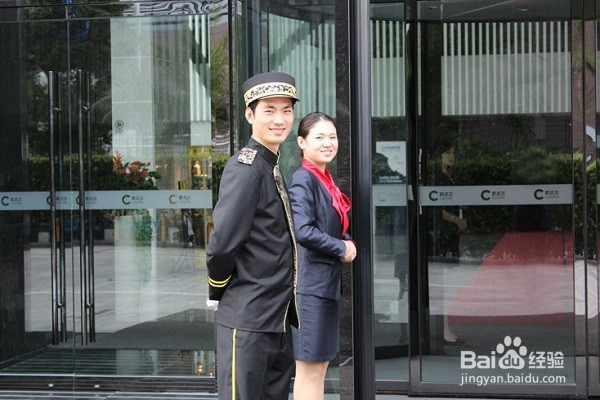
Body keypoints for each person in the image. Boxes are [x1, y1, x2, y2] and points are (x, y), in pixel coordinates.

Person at [206, 71, 300, 400]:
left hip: (275, 320)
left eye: (286, 110)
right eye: (269, 110)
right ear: (250, 115)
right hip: (246, 320)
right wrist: (217, 288)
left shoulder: (269, 164)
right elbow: (222, 244)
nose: (279, 119)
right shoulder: (245, 169)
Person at [288, 112, 356, 400]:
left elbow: (331, 225)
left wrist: (346, 239)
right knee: (309, 370)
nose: (328, 143)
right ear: (302, 142)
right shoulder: (303, 179)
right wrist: (341, 247)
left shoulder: (325, 179)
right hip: (309, 289)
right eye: (319, 137)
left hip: (324, 286)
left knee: (320, 367)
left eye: (332, 137)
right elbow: (302, 230)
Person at [432, 143, 467, 345]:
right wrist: (456, 220)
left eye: (453, 152)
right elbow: (437, 208)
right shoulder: (438, 178)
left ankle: (445, 328)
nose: (451, 155)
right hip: (444, 236)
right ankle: (443, 330)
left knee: (447, 285)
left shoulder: (447, 176)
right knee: (443, 286)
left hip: (450, 235)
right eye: (447, 151)